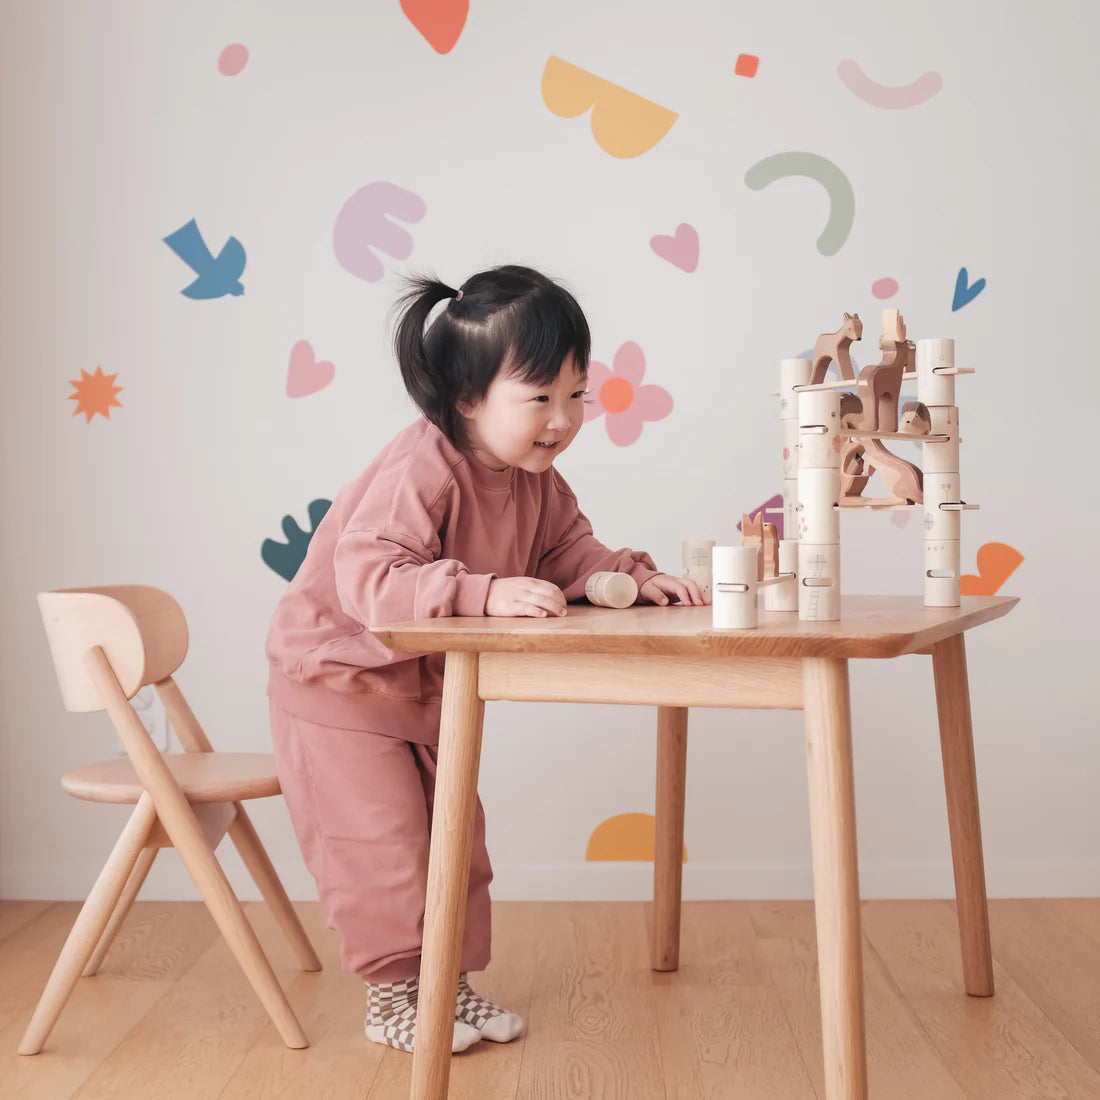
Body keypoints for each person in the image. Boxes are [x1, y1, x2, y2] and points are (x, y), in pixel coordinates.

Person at [265, 264, 705, 1053]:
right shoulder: (422, 466)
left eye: (577, 395)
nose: (562, 419)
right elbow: (370, 575)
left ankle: (447, 986)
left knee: (454, 847)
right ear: (466, 398)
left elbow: (573, 552)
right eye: (539, 398)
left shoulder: (536, 480)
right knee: (386, 850)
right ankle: (396, 999)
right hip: (339, 683)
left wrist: (633, 580)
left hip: (428, 688)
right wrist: (483, 592)